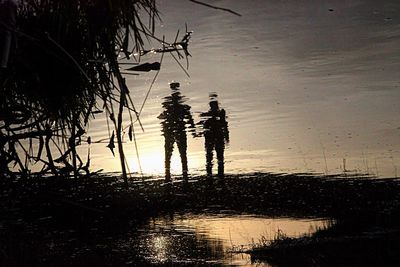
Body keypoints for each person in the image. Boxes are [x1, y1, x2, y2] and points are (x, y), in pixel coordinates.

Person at [158, 82, 195, 181]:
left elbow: (161, 117)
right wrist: (193, 130)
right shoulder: (182, 107)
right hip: (177, 131)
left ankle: (169, 174)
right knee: (179, 153)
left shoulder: (169, 106)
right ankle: (181, 173)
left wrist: (193, 130)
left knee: (171, 153)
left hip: (172, 131)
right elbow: (190, 119)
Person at [198, 93, 229, 178]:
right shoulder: (211, 115)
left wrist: (226, 136)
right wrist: (226, 136)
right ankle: (214, 175)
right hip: (213, 137)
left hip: (215, 137)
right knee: (214, 158)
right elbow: (225, 125)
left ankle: (212, 175)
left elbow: (224, 125)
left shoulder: (217, 114)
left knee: (214, 158)